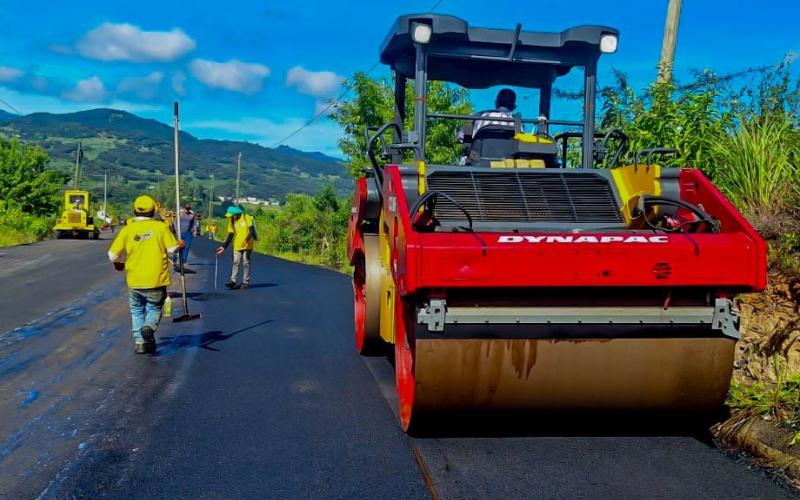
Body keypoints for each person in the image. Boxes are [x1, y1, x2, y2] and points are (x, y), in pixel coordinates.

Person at [108, 195, 184, 354]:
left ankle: (140, 343)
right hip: (156, 279)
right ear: (153, 211)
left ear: (134, 210)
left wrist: (118, 264)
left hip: (134, 280)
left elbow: (113, 255)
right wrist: (180, 244)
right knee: (154, 307)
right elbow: (172, 249)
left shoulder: (127, 229)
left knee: (136, 311)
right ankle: (149, 326)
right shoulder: (160, 227)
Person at [457, 88, 522, 142]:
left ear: (496, 103)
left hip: (478, 153)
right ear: (514, 107)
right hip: (509, 154)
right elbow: (521, 143)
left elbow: (460, 138)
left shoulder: (479, 116)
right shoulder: (518, 124)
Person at [215, 206, 256, 289]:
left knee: (246, 263)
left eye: (232, 215)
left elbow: (251, 231)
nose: (231, 217)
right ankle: (233, 281)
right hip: (237, 245)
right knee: (235, 262)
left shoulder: (246, 217)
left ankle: (245, 282)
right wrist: (224, 247)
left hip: (247, 245)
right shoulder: (232, 221)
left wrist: (246, 240)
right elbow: (230, 235)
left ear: (236, 214)